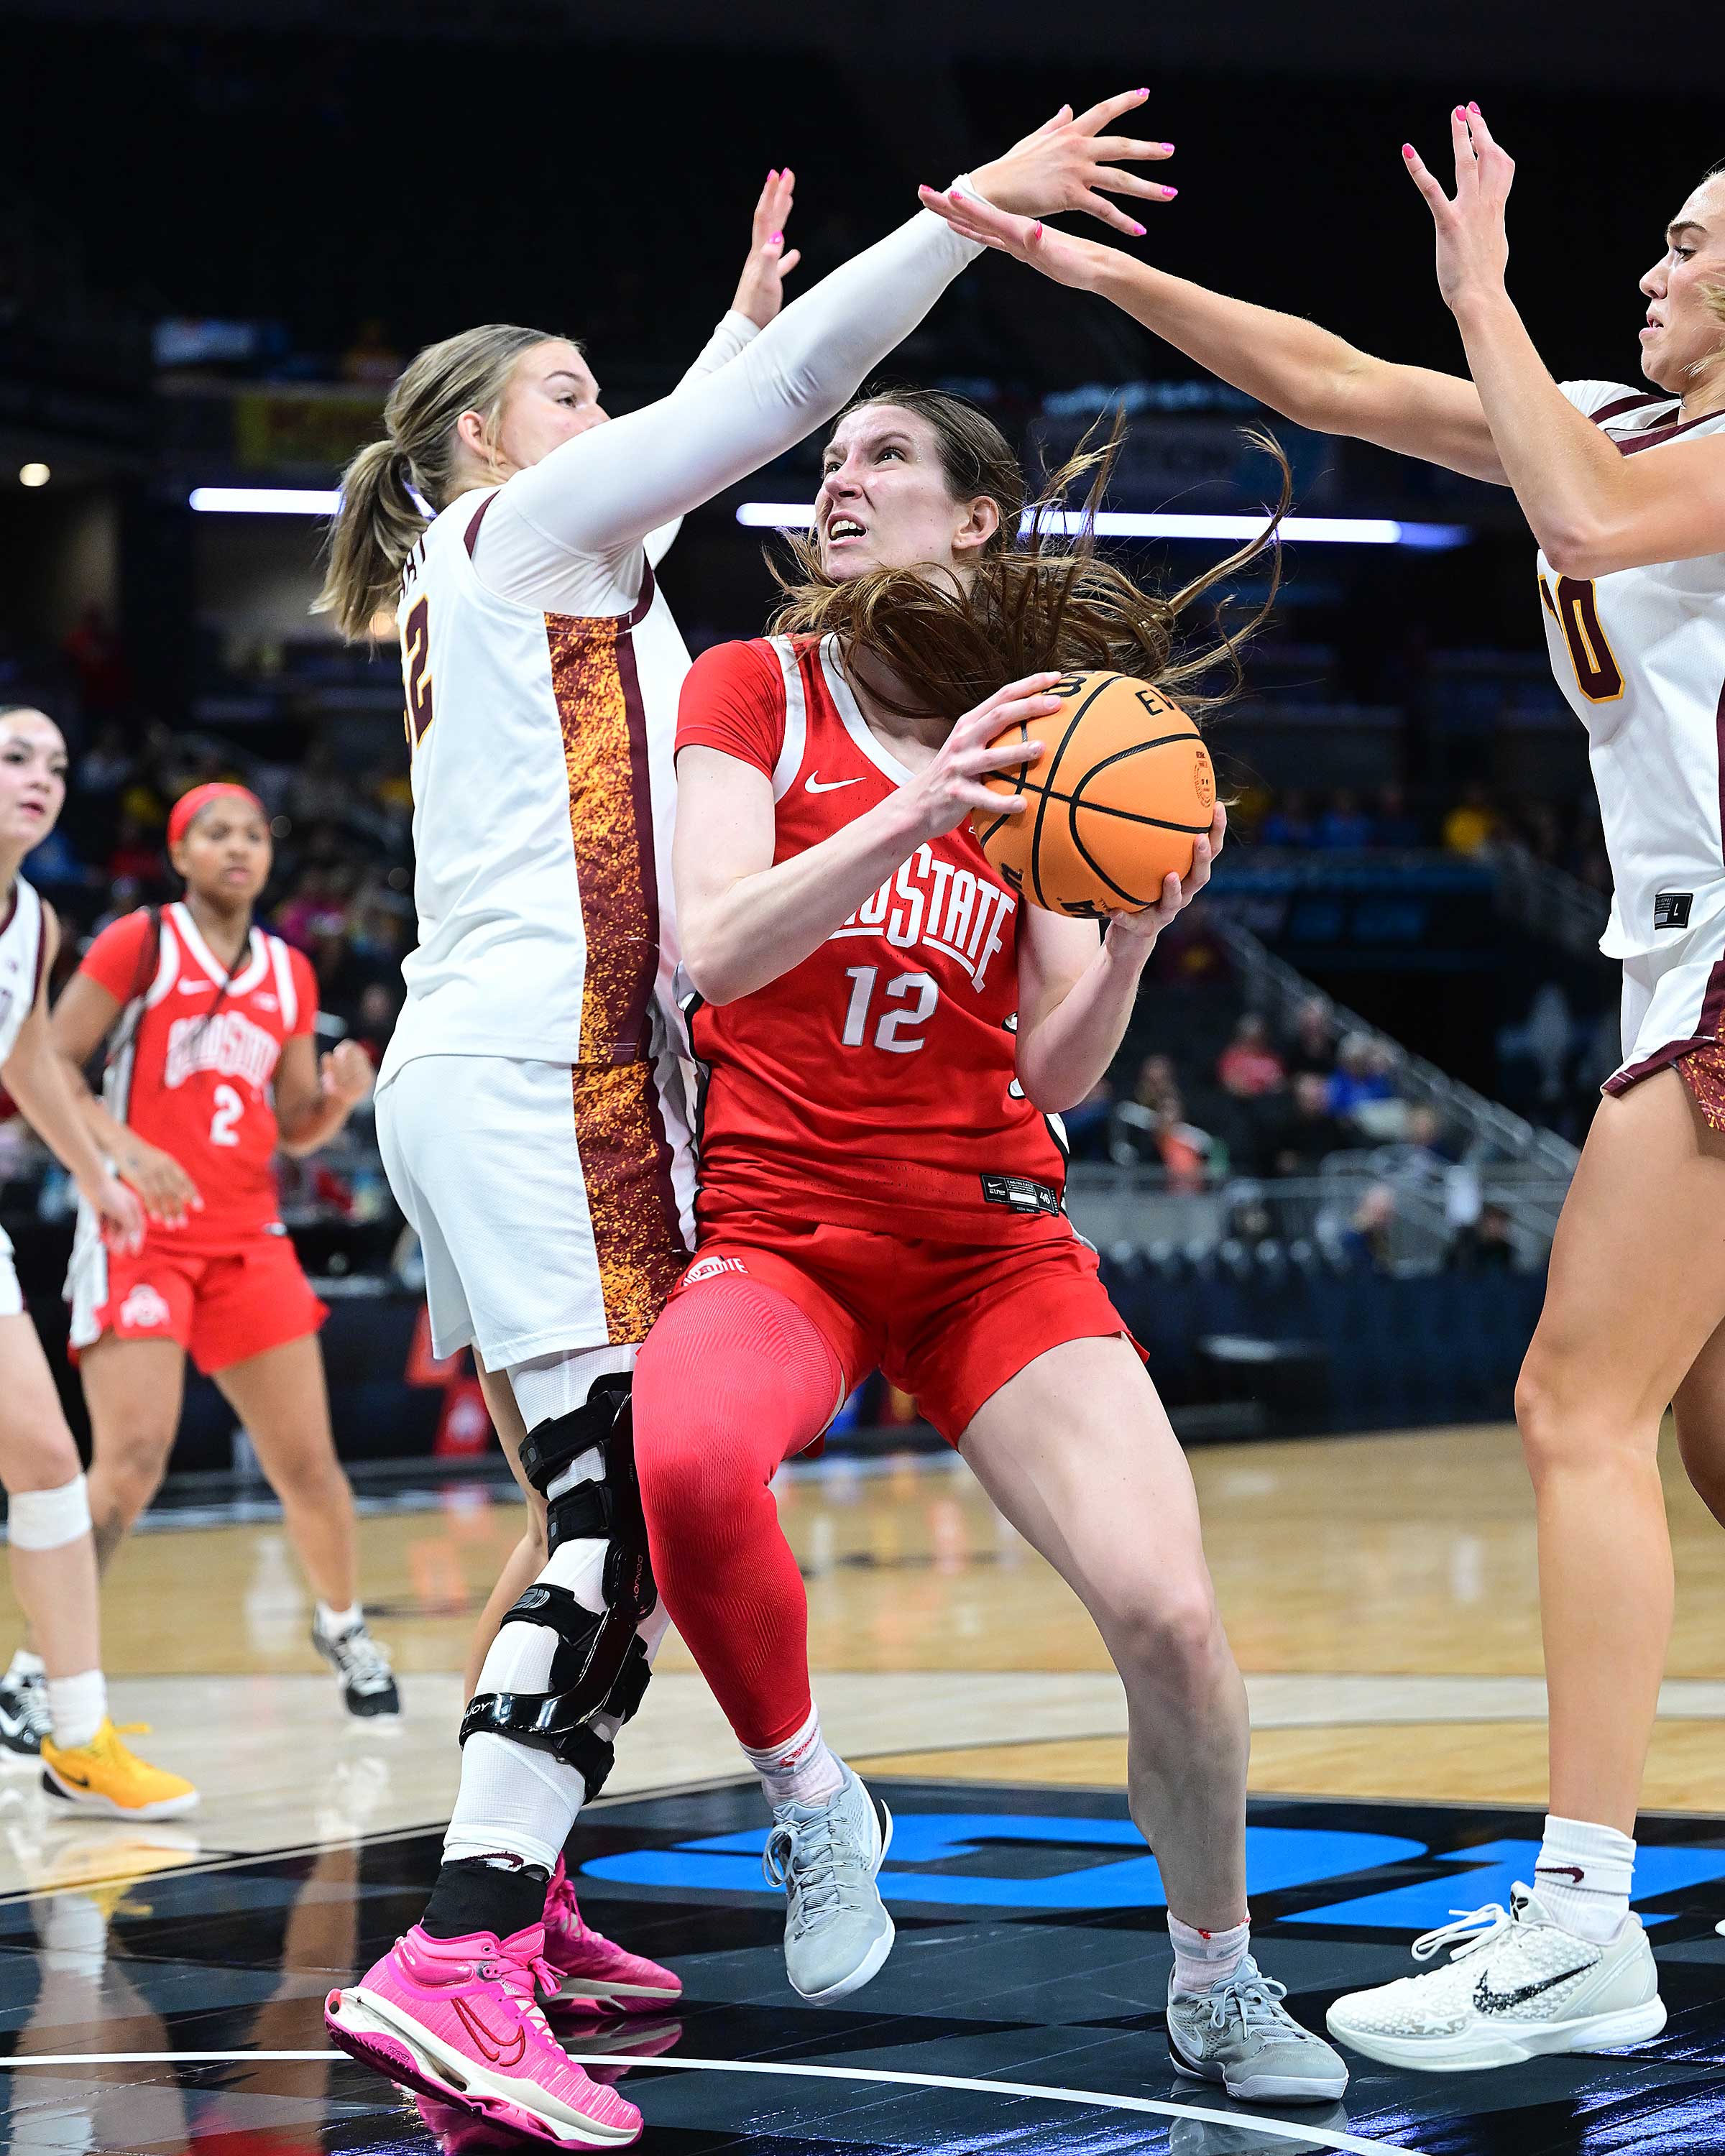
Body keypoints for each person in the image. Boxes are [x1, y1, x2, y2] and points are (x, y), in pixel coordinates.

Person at [316, 105, 1179, 2146]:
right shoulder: (520, 540)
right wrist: (969, 221)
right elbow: (776, 406)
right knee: (623, 1513)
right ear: (484, 444)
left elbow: (729, 407)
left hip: (505, 1068)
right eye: (573, 395)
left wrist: (731, 339)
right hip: (552, 1075)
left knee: (584, 1514)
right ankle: (461, 1951)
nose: (614, 420)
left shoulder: (562, 584)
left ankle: (525, 1902)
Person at [920, 108, 1725, 2076]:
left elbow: (1589, 526)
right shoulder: (1617, 419)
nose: (1658, 267)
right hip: (1675, 951)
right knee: (1715, 1453)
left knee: (1573, 1407)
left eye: (1697, 243)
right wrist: (1097, 276)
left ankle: (1583, 1918)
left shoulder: (1647, 460)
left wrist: (1486, 294)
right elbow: (1334, 383)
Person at [632, 384, 1346, 2106]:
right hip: (788, 1230)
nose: (843, 478)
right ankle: (817, 1805)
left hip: (989, 1240)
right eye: (831, 459)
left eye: (885, 455)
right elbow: (714, 947)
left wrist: (1132, 944)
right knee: (687, 1465)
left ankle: (1219, 1977)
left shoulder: (1047, 735)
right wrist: (916, 805)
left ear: (974, 519)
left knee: (1171, 1616)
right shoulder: (753, 687)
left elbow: (1055, 1067)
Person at [0, 781, 397, 1750]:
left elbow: (296, 1126)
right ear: (179, 854)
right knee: (130, 1463)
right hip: (139, 1231)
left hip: (247, 1236)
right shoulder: (138, 942)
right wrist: (122, 1153)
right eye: (215, 833)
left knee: (308, 1466)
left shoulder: (290, 971)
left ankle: (343, 1626)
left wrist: (341, 1101)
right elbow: (49, 1063)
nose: (238, 848)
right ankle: (34, 1673)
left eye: (253, 834)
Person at [0, 707, 193, 1816]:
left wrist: (94, 1170)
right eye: (15, 758)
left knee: (43, 1460)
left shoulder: (32, 918)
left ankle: (75, 1738)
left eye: (58, 765)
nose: (42, 777)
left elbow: (27, 1053)